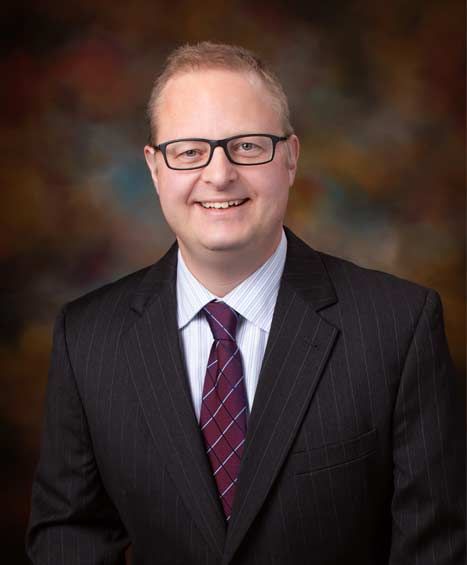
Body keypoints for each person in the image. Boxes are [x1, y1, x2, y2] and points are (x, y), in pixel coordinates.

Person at [26, 41, 465, 565]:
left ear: (291, 158)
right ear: (154, 167)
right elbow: (69, 540)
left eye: (249, 146)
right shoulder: (87, 339)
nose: (219, 174)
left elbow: (435, 550)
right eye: (189, 150)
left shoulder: (399, 327)